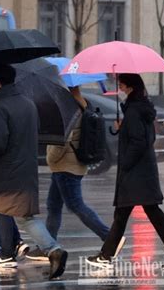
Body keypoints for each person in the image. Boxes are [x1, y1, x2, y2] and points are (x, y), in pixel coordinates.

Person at [0, 64, 68, 281]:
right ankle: (53, 249)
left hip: (0, 175)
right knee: (25, 217)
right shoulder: (28, 104)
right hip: (24, 171)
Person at [85, 74, 164, 270]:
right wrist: (121, 128)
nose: (121, 88)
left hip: (136, 172)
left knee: (132, 213)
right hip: (142, 172)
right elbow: (142, 136)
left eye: (122, 85)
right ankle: (107, 255)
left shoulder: (134, 111)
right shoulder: (141, 109)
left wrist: (125, 163)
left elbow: (139, 141)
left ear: (130, 87)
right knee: (128, 213)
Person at [26, 86, 125, 260]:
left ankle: (111, 238)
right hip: (69, 165)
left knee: (76, 205)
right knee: (54, 206)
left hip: (65, 166)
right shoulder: (83, 105)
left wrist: (51, 159)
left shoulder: (68, 110)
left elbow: (62, 141)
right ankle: (48, 245)